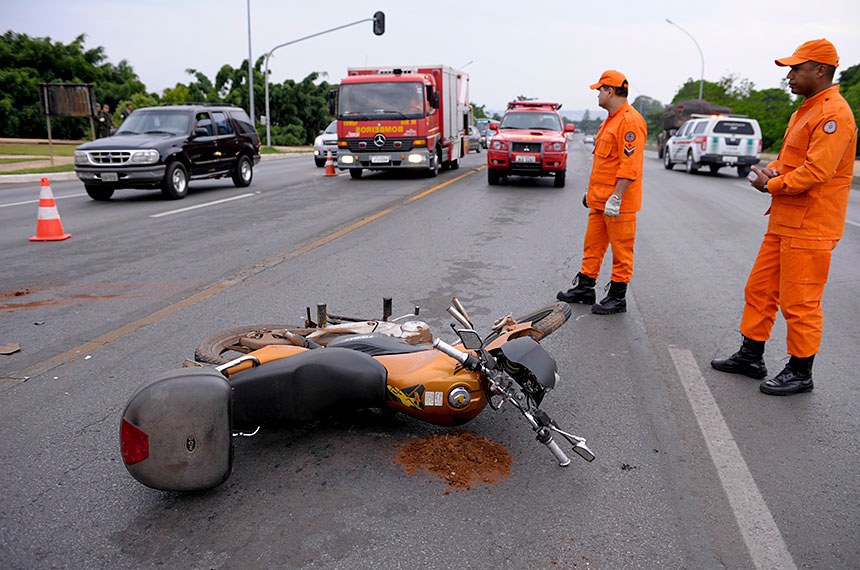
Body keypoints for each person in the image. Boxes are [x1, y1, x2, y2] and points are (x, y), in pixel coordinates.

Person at [710, 38, 856, 396]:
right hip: (786, 221)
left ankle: (800, 371)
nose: (788, 76)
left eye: (796, 68)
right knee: (759, 290)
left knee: (800, 300)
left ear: (820, 71)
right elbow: (792, 164)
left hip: (811, 225)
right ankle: (751, 355)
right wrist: (771, 171)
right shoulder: (804, 110)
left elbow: (816, 173)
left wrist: (771, 185)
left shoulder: (833, 114)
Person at [557, 70, 647, 314]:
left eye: (600, 89)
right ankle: (586, 287)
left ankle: (618, 297)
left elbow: (630, 167)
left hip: (619, 203)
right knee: (592, 246)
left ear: (610, 91)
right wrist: (592, 194)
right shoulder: (610, 120)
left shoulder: (630, 121)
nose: (597, 94)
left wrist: (616, 197)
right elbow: (604, 165)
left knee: (622, 250)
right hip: (600, 201)